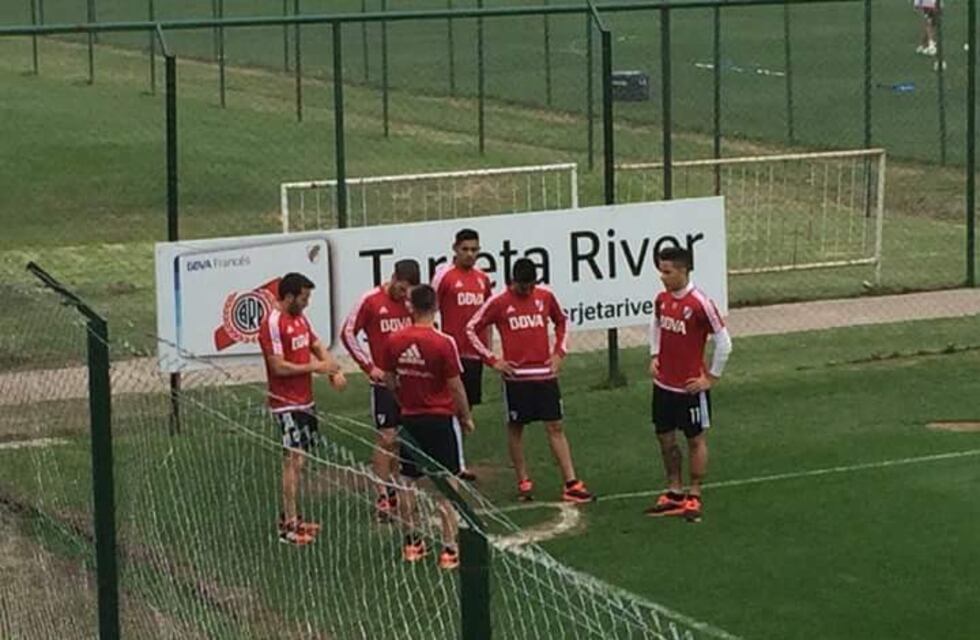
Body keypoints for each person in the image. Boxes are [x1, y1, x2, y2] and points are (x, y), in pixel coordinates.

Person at [466, 258, 594, 504]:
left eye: (530, 286)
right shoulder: (499, 302)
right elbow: (471, 329)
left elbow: (562, 321)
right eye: (522, 287)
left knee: (555, 426)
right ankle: (523, 479)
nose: (527, 291)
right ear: (512, 282)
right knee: (516, 428)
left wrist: (559, 353)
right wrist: (494, 360)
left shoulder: (545, 297)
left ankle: (571, 482)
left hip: (545, 375)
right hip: (516, 378)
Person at [379, 284, 475, 570]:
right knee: (447, 483)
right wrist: (465, 415)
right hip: (439, 419)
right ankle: (449, 548)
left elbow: (389, 379)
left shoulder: (395, 340)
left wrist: (403, 400)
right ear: (435, 307)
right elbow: (455, 385)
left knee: (408, 481)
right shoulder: (443, 342)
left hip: (410, 418)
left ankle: (412, 543)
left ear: (410, 307)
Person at [258, 272, 347, 546]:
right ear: (289, 297)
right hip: (286, 404)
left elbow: (315, 343)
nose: (307, 303)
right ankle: (288, 527)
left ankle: (293, 516)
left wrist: (332, 368)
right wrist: (317, 367)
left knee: (301, 461)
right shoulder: (273, 323)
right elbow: (278, 366)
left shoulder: (300, 319)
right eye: (304, 297)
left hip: (305, 400)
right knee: (292, 462)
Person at [645, 247, 732, 523]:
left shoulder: (700, 303)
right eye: (661, 270)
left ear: (683, 270)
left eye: (667, 272)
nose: (662, 277)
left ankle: (694, 493)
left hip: (690, 388)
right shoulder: (662, 299)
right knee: (664, 437)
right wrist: (655, 355)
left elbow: (724, 342)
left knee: (695, 439)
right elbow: (655, 325)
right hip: (663, 386)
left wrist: (711, 378)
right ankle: (674, 490)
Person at [341, 259, 420, 522]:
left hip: (409, 380)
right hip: (383, 383)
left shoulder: (413, 302)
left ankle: (398, 489)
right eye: (401, 288)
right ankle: (383, 496)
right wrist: (368, 366)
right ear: (394, 278)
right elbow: (348, 333)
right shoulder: (371, 300)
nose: (403, 295)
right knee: (386, 438)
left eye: (409, 291)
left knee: (403, 439)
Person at [431, 228, 494, 481]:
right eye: (465, 249)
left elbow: (487, 316)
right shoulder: (444, 276)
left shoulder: (482, 279)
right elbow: (428, 308)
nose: (470, 254)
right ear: (455, 249)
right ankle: (450, 460)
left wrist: (486, 349)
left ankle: (458, 458)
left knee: (466, 409)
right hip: (449, 353)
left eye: (474, 250)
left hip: (473, 354)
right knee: (448, 406)